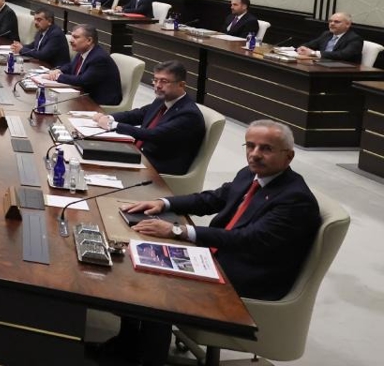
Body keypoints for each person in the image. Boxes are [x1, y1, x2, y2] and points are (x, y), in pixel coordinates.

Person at [111, 121, 321, 365]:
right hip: (219, 256)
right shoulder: (250, 174)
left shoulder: (295, 199)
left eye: (266, 148)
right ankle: (128, 345)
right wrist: (164, 203)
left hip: (246, 277)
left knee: (159, 288)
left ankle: (147, 357)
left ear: (289, 156)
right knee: (138, 256)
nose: (254, 154)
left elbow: (248, 239)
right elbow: (213, 199)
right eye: (250, 146)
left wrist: (178, 230)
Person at [91, 61, 204, 175]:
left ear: (181, 85)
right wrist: (108, 117)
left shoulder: (189, 114)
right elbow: (139, 114)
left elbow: (154, 134)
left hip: (158, 166)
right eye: (155, 80)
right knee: (93, 151)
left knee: (98, 165)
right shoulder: (163, 99)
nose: (158, 85)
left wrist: (113, 125)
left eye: (164, 81)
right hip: (140, 153)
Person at [43, 24, 122, 106]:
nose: (71, 40)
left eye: (76, 37)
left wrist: (57, 77)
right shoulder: (83, 52)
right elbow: (71, 66)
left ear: (89, 40)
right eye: (72, 36)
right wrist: (59, 70)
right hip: (84, 95)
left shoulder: (99, 58)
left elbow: (82, 81)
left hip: (99, 102)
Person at [297, 12, 363, 63]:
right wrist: (302, 48)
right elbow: (310, 45)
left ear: (347, 24)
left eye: (337, 22)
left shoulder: (354, 39)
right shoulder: (327, 34)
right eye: (330, 21)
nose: (332, 24)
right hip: (322, 65)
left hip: (343, 70)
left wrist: (314, 53)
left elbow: (343, 55)